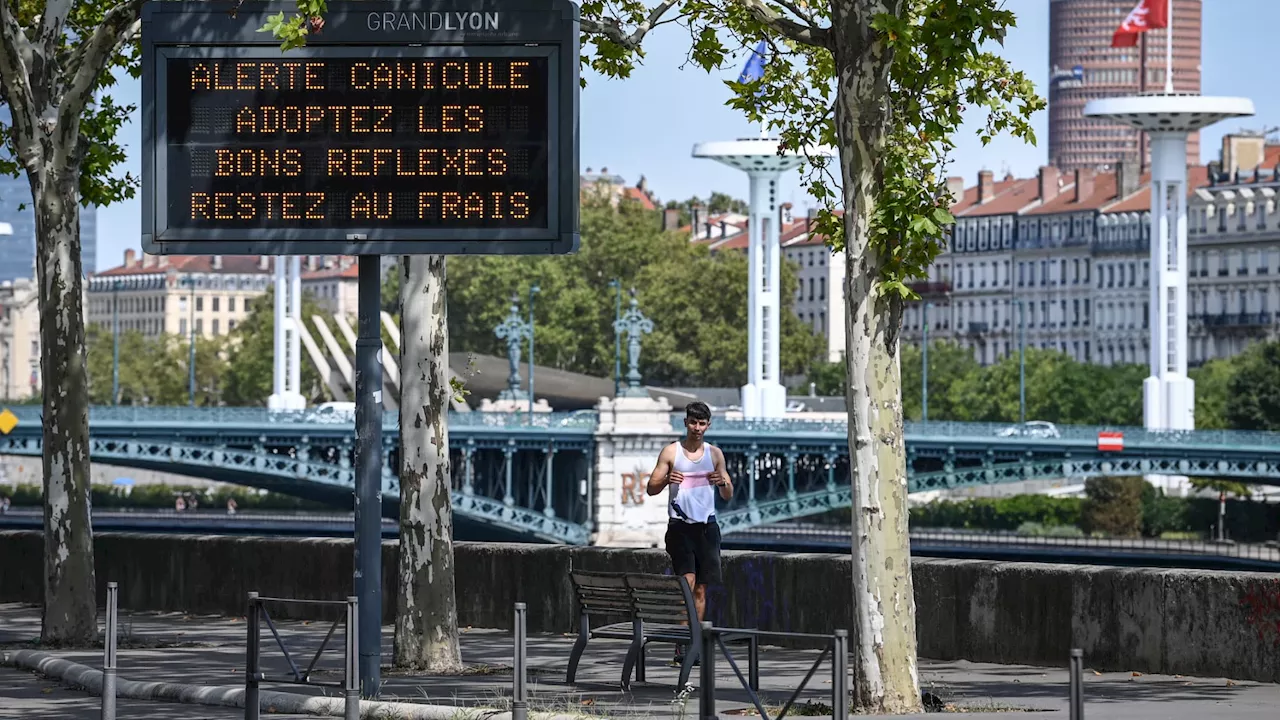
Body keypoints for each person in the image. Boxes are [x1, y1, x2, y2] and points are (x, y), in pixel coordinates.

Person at [646, 401, 733, 665]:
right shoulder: (672, 452)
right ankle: (681, 645)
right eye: (693, 423)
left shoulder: (715, 454)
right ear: (686, 423)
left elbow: (727, 495)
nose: (697, 428)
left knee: (701, 591)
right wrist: (666, 479)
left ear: (708, 425)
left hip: (707, 528)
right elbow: (651, 488)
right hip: (680, 528)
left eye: (702, 423)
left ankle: (693, 644)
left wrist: (724, 482)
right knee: (688, 583)